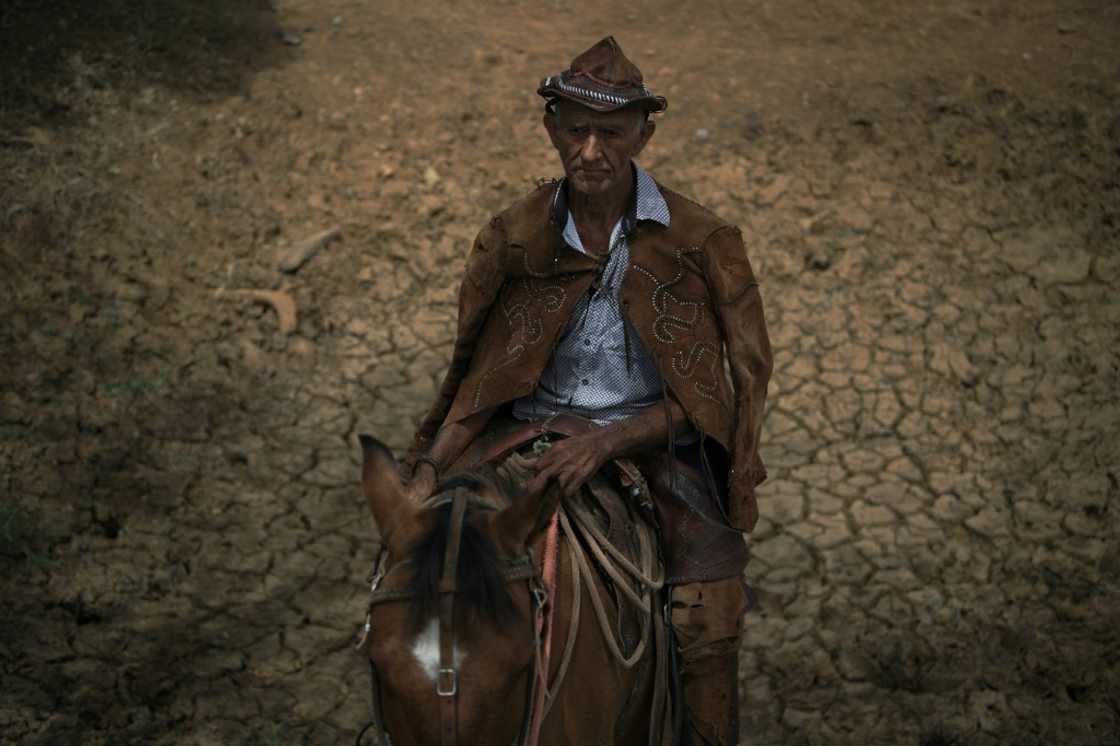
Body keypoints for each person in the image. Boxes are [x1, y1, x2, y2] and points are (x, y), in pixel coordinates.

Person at [399, 36, 772, 745]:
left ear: (643, 134)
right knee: (426, 569)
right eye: (575, 131)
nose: (592, 150)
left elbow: (719, 389)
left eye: (610, 132)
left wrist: (608, 441)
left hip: (652, 441)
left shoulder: (700, 240)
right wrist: (428, 465)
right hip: (527, 430)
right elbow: (475, 370)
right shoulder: (513, 236)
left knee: (708, 606)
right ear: (552, 131)